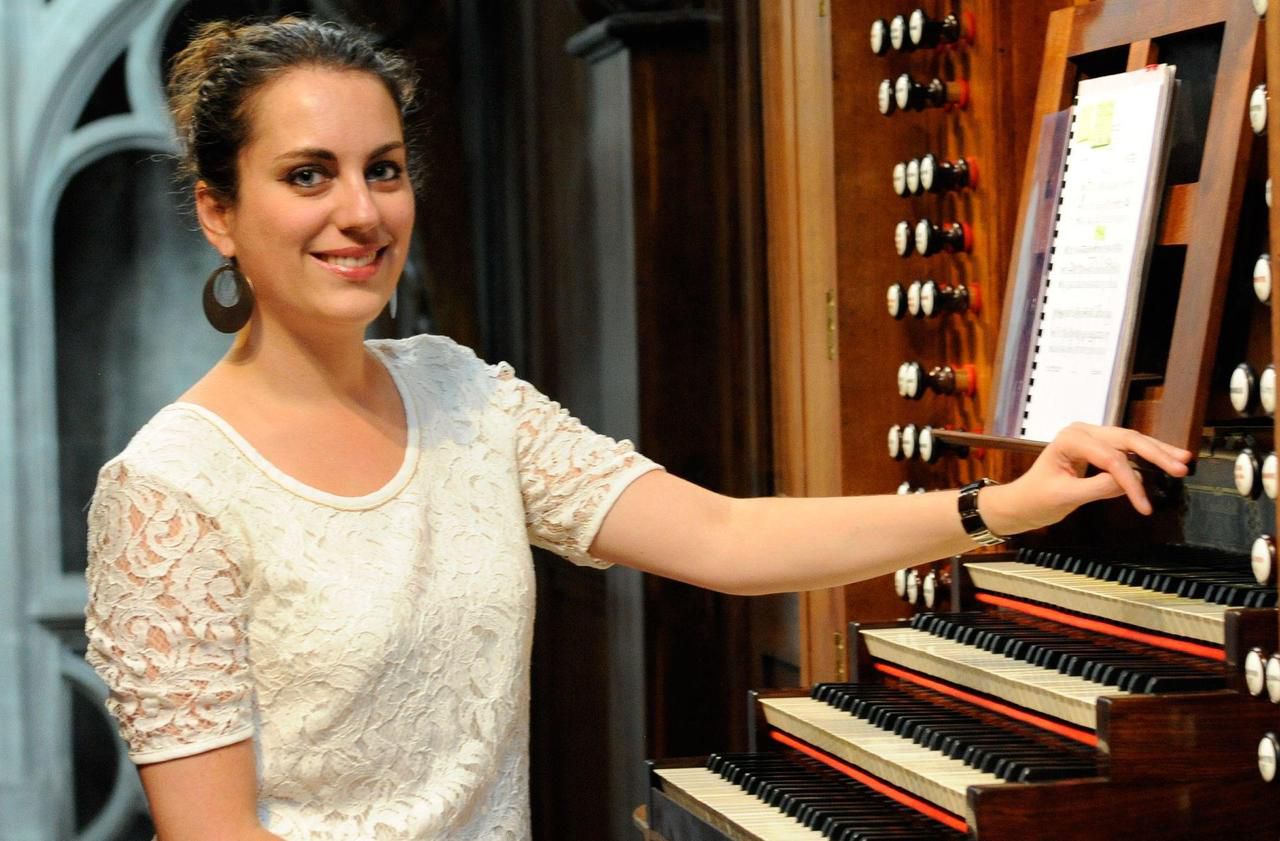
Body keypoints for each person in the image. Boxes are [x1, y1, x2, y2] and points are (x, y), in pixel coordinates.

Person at [82, 16, 1191, 841]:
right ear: (216, 210)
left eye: (383, 170)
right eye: (306, 176)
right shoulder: (169, 490)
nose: (360, 212)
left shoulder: (462, 394)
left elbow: (718, 538)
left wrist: (997, 504)